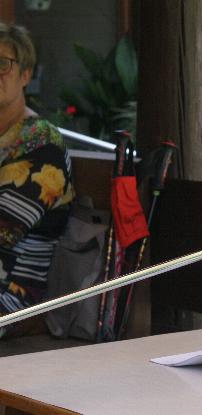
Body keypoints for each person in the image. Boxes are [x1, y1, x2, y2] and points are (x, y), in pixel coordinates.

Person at [0, 23, 73, 338]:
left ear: (25, 75)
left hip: (14, 295)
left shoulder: (42, 143)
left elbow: (4, 230)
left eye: (3, 64)